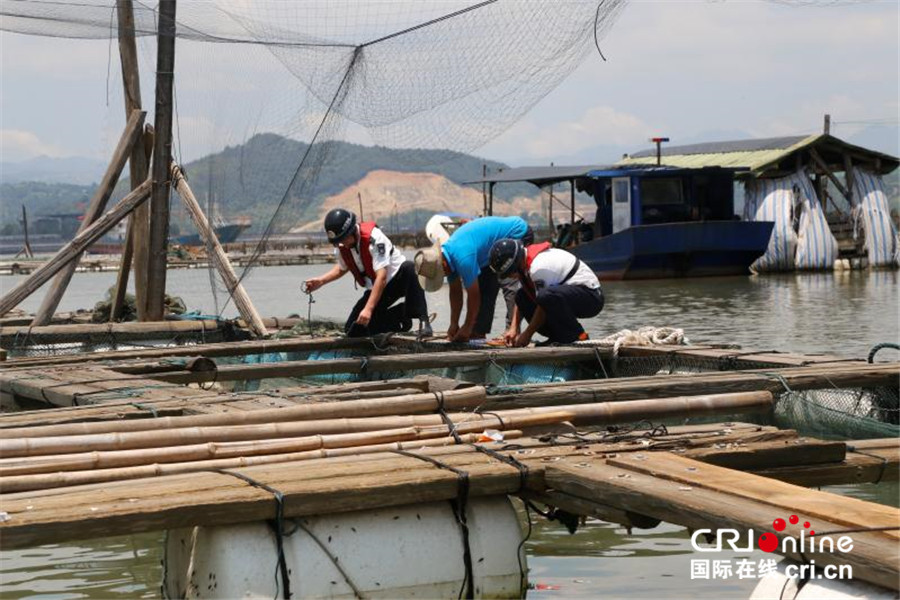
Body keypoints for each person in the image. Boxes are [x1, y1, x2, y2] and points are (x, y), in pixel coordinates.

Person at [304, 208, 432, 337]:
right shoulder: (342, 246)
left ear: (352, 231)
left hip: (396, 279)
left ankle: (424, 323)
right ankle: (400, 315)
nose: (341, 243)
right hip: (377, 288)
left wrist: (368, 309)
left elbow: (381, 276)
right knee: (353, 329)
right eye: (338, 241)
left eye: (343, 239)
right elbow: (341, 268)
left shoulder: (374, 238)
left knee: (410, 268)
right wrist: (321, 281)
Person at [414, 216, 532, 343]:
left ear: (443, 264)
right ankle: (477, 332)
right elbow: (455, 292)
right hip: (488, 251)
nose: (442, 277)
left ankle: (512, 331)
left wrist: (467, 325)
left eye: (440, 275)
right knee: (485, 285)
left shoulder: (462, 257)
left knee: (509, 283)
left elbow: (473, 295)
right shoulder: (446, 259)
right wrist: (454, 324)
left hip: (516, 233)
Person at [489, 238, 603, 346]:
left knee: (546, 296)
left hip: (591, 297)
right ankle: (557, 337)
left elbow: (543, 305)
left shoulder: (537, 268)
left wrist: (527, 334)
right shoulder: (524, 264)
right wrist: (513, 328)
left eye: (510, 273)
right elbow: (520, 299)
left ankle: (578, 337)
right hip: (565, 295)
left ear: (516, 265)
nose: (510, 276)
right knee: (521, 297)